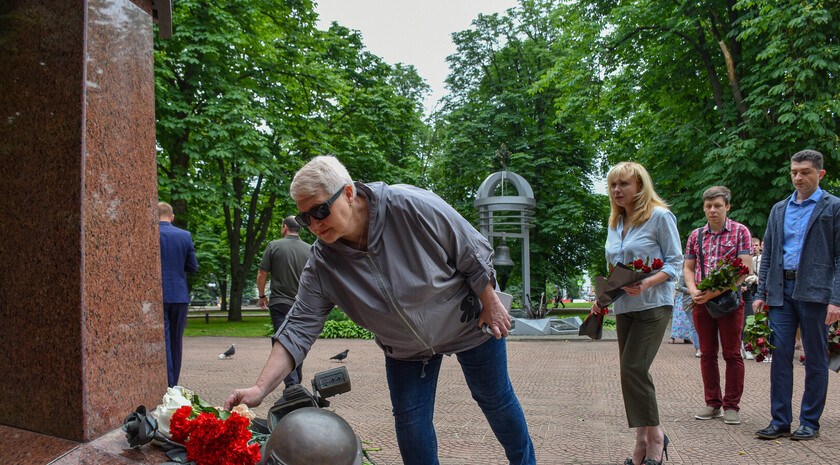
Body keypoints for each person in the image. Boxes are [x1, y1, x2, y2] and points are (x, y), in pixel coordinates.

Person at [225, 155, 535, 464]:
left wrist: (491, 302)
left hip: (468, 322)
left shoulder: (409, 205)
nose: (314, 224)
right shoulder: (322, 264)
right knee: (411, 427)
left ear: (348, 193)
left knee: (496, 400)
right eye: (305, 218)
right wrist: (259, 388)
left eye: (320, 210)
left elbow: (470, 248)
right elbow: (298, 327)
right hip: (404, 349)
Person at [592, 161, 683, 465]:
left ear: (640, 187)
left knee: (634, 368)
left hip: (653, 305)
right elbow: (617, 268)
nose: (617, 190)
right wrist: (603, 296)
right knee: (630, 373)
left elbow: (674, 264)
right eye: (613, 185)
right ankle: (643, 439)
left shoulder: (660, 217)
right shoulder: (615, 222)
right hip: (623, 306)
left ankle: (654, 437)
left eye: (624, 184)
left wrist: (647, 282)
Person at [754, 149, 840, 441]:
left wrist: (836, 299)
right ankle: (780, 420)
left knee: (815, 357)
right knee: (779, 357)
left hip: (816, 291)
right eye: (794, 172)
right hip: (781, 291)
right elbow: (767, 254)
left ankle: (810, 422)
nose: (798, 177)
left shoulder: (834, 207)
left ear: (820, 174)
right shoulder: (779, 208)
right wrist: (760, 291)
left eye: (805, 171)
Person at [683, 186, 752, 426]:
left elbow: (744, 270)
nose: (712, 210)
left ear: (727, 207)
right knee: (707, 353)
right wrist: (693, 290)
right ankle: (712, 403)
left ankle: (732, 406)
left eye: (717, 206)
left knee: (732, 353)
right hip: (701, 300)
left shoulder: (740, 232)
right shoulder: (696, 235)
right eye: (708, 206)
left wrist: (714, 291)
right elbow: (688, 268)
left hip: (728, 301)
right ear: (704, 208)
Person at [257, 215, 311, 386]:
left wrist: (261, 295)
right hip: (302, 305)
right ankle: (296, 381)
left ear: (285, 227)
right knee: (298, 341)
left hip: (280, 302)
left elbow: (261, 275)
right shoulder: (310, 249)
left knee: (282, 341)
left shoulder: (274, 246)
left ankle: (292, 385)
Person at [158, 201, 198, 388]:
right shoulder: (184, 235)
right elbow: (192, 266)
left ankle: (165, 382)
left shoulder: (149, 234)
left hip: (157, 296)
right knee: (175, 342)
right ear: (172, 217)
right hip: (179, 295)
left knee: (163, 341)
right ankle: (173, 385)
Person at [740, 236, 762, 360]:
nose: (754, 247)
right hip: (741, 290)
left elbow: (751, 274)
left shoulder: (759, 259)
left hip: (752, 292)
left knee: (749, 320)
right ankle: (740, 346)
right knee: (739, 321)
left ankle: (748, 346)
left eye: (756, 245)